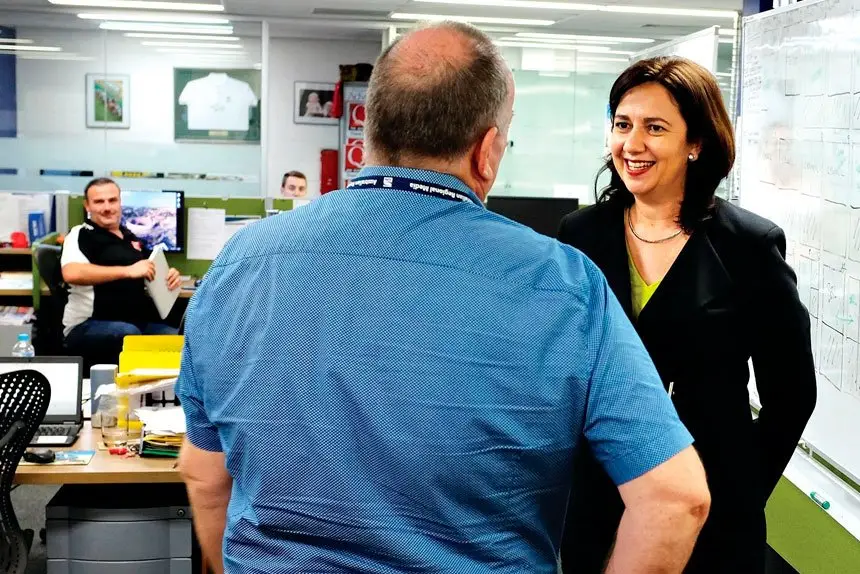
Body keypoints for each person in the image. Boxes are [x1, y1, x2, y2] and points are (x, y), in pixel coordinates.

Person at [177, 23, 711, 574]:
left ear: (371, 131)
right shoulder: (562, 285)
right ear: (486, 151)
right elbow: (675, 499)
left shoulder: (241, 265)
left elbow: (204, 475)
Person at [557, 56, 817, 573]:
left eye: (655, 128)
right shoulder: (579, 235)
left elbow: (792, 395)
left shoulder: (747, 246)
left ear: (695, 143)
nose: (632, 144)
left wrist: (739, 491)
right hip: (599, 504)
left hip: (712, 510)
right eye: (622, 125)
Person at [62, 178, 182, 366]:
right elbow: (72, 272)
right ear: (87, 205)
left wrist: (170, 275)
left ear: (120, 202)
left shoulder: (129, 237)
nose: (107, 207)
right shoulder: (81, 234)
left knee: (179, 341)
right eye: (99, 202)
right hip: (87, 325)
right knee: (129, 335)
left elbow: (150, 267)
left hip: (135, 322)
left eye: (112, 200)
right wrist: (128, 271)